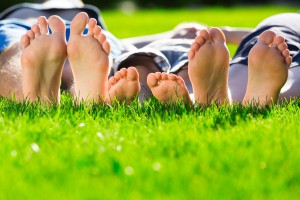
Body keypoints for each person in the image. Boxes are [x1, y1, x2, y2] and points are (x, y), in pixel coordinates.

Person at [0, 0, 299, 107]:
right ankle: (86, 91)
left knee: (141, 59)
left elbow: (124, 42)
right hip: (28, 32)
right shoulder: (25, 13)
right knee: (14, 46)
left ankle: (82, 95)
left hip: (96, 44)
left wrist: (169, 36)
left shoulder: (91, 23)